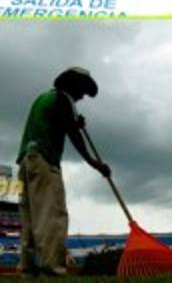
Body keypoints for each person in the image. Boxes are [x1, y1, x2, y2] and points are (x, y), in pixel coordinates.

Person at [16, 68, 111, 277]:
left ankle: (27, 270)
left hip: (25, 162)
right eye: (82, 93)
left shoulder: (45, 97)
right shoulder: (63, 99)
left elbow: (62, 124)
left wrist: (74, 122)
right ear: (74, 86)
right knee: (53, 215)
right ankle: (52, 269)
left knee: (30, 220)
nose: (81, 98)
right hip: (43, 161)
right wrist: (95, 164)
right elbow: (74, 135)